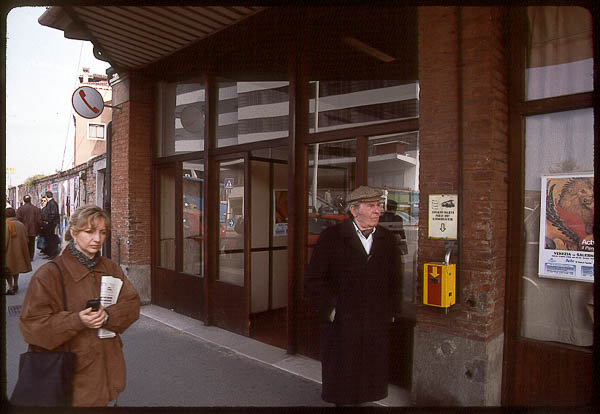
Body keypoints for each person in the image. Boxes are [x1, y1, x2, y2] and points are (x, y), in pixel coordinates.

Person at [19, 205, 140, 406]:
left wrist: (108, 316)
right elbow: (31, 327)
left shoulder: (111, 268)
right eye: (89, 231)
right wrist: (77, 320)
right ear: (74, 233)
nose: (97, 239)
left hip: (109, 373)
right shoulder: (49, 274)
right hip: (69, 381)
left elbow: (132, 304)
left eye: (102, 232)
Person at [304, 185, 399, 406]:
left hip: (374, 320)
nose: (377, 211)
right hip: (342, 322)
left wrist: (391, 311)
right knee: (343, 379)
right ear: (354, 210)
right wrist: (331, 310)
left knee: (369, 377)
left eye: (378, 206)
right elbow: (314, 280)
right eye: (371, 206)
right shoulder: (332, 237)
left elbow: (395, 281)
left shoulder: (387, 239)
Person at [4, 207, 32, 295]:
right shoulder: (21, 224)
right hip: (19, 250)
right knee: (16, 268)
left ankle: (10, 287)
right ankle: (16, 283)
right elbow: (26, 238)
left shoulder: (6, 224)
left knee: (8, 270)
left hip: (9, 251)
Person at [16, 194, 43, 260]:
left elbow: (18, 219)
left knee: (24, 243)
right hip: (33, 229)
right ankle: (31, 256)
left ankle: (25, 256)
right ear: (30, 200)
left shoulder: (20, 209)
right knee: (32, 243)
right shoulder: (36, 209)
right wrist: (40, 228)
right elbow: (39, 220)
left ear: (24, 200)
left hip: (23, 229)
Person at [41, 190, 60, 258]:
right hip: (50, 223)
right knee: (49, 239)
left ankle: (52, 254)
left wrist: (48, 221)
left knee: (51, 239)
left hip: (51, 224)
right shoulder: (51, 203)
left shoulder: (52, 203)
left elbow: (53, 213)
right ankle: (50, 253)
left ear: (46, 197)